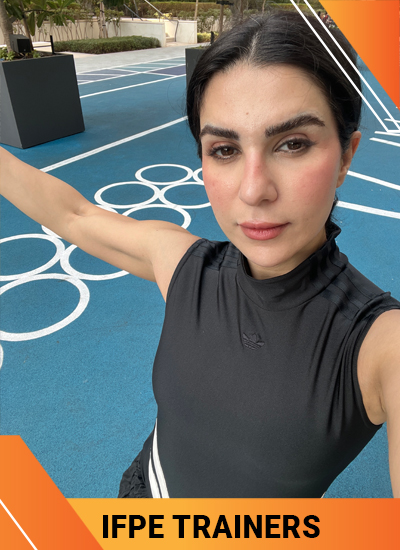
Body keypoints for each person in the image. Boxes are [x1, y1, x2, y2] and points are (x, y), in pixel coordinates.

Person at [1, 11, 400, 498]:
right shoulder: (185, 266)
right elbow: (74, 215)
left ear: (345, 155)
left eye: (292, 144)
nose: (253, 190)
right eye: (225, 149)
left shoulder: (382, 347)